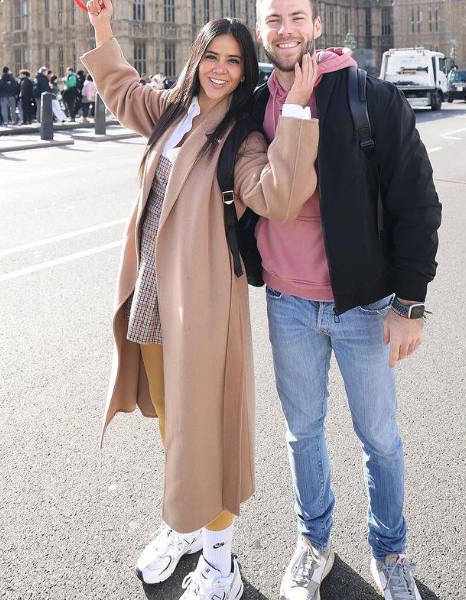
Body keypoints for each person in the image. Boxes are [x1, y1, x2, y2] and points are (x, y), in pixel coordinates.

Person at [82, 2, 319, 599]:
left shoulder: (242, 136)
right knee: (175, 421)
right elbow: (120, 87)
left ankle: (221, 562)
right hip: (153, 293)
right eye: (211, 56)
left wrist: (295, 110)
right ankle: (184, 524)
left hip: (205, 301)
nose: (219, 69)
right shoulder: (170, 111)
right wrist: (103, 27)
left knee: (206, 428)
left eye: (234, 62)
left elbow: (279, 196)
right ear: (196, 57)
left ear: (245, 73)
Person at [251, 1, 441, 599]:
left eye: (297, 16)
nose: (286, 30)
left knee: (379, 438)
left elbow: (417, 201)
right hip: (286, 301)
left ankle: (391, 552)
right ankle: (314, 543)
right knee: (302, 433)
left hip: (361, 304)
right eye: (274, 18)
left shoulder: (369, 96)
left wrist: (410, 302)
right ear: (260, 29)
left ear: (316, 24)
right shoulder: (252, 103)